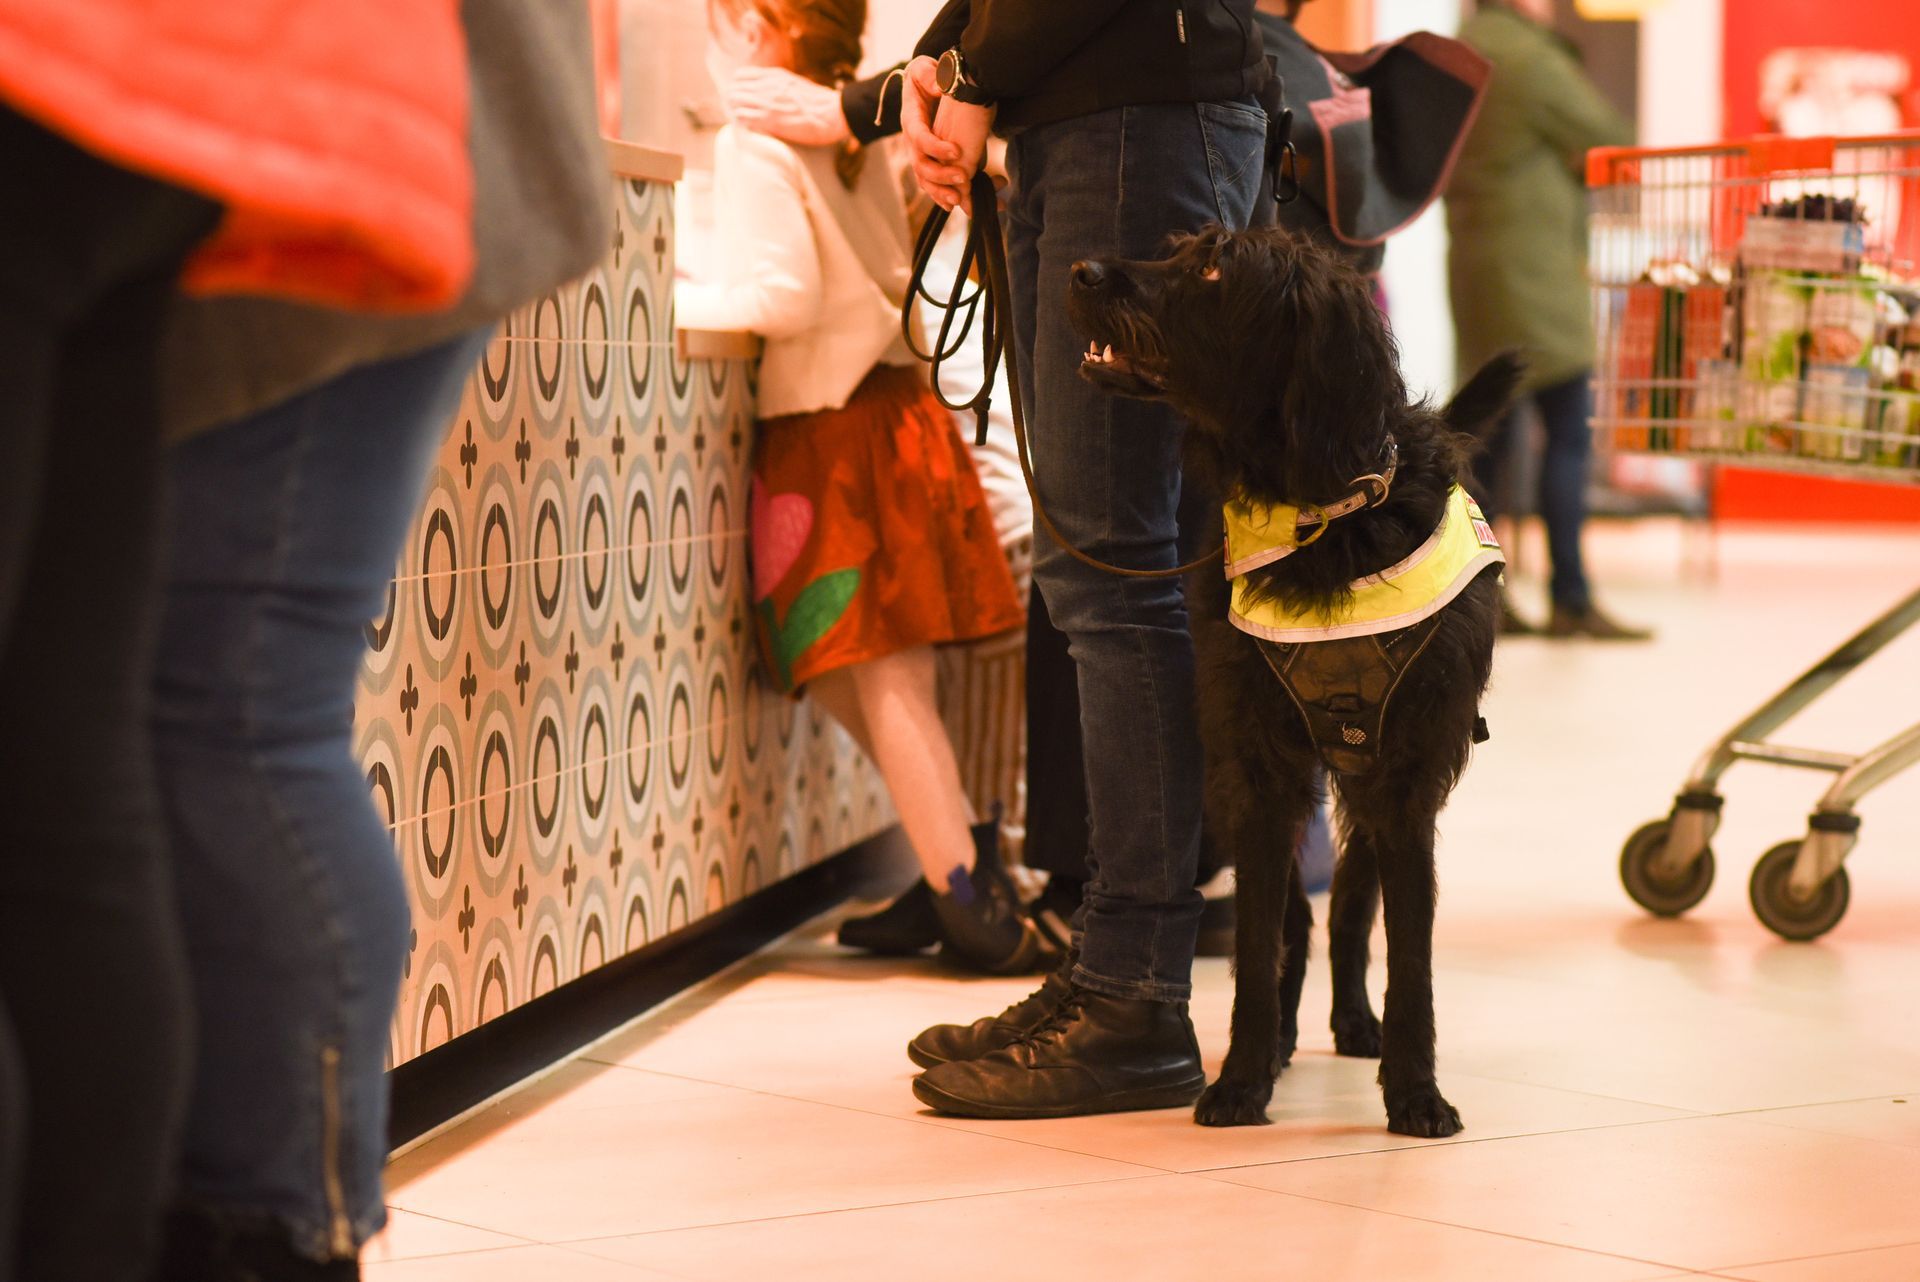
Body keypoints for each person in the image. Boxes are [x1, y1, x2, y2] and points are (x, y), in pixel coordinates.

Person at [0, 5, 471, 1276]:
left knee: (222, 726)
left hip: (217, 104)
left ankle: (273, 1234)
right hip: (233, 109)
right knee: (95, 776)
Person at [143, 6, 610, 1277]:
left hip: (342, 141)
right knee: (232, 713)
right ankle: (275, 1214)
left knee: (234, 713)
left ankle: (274, 1221)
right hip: (393, 127)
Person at [886, 1, 1270, 1120]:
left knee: (1112, 570)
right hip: (1093, 120)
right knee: (1100, 568)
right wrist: (940, 58)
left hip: (1139, 119)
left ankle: (1134, 998)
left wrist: (969, 73)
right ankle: (1110, 968)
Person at [680, 0, 1036, 976]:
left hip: (834, 436)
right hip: (892, 414)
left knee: (882, 677)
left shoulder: (755, 139)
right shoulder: (860, 135)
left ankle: (972, 905)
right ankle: (955, 863)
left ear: (761, 27)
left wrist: (676, 296)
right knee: (853, 669)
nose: (716, 40)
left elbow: (781, 296)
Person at [1446, 0, 1649, 640]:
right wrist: (1569, 158)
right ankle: (1571, 596)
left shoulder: (1455, 53)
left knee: (1489, 441)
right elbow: (1609, 134)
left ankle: (1481, 596)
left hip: (1474, 263)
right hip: (1536, 273)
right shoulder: (1530, 56)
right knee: (1567, 434)